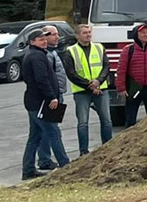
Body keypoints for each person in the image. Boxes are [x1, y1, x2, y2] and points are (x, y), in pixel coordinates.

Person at [21, 29, 68, 180]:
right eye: (40, 39)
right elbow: (41, 79)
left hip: (35, 102)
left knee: (35, 136)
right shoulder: (36, 56)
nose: (44, 41)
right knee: (53, 132)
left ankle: (28, 170)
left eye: (44, 39)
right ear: (32, 42)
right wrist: (51, 97)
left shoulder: (36, 54)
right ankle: (65, 164)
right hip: (41, 102)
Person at [63, 24, 113, 156]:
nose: (88, 35)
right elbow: (71, 73)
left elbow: (106, 67)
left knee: (107, 120)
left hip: (101, 89)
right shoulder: (71, 51)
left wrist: (98, 82)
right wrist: (90, 86)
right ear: (77, 35)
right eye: (84, 33)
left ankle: (108, 147)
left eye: (89, 32)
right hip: (81, 91)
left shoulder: (99, 48)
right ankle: (83, 151)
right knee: (83, 122)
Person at [115, 22, 147, 127]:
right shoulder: (128, 50)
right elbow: (121, 70)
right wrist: (121, 88)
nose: (146, 35)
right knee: (131, 118)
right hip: (134, 87)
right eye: (142, 33)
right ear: (136, 35)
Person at [35, 25, 68, 172]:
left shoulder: (53, 52)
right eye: (53, 34)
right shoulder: (45, 55)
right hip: (52, 96)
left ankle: (44, 159)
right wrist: (52, 96)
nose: (57, 37)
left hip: (58, 93)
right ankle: (50, 160)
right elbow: (45, 78)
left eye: (57, 34)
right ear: (45, 37)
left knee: (42, 130)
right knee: (51, 129)